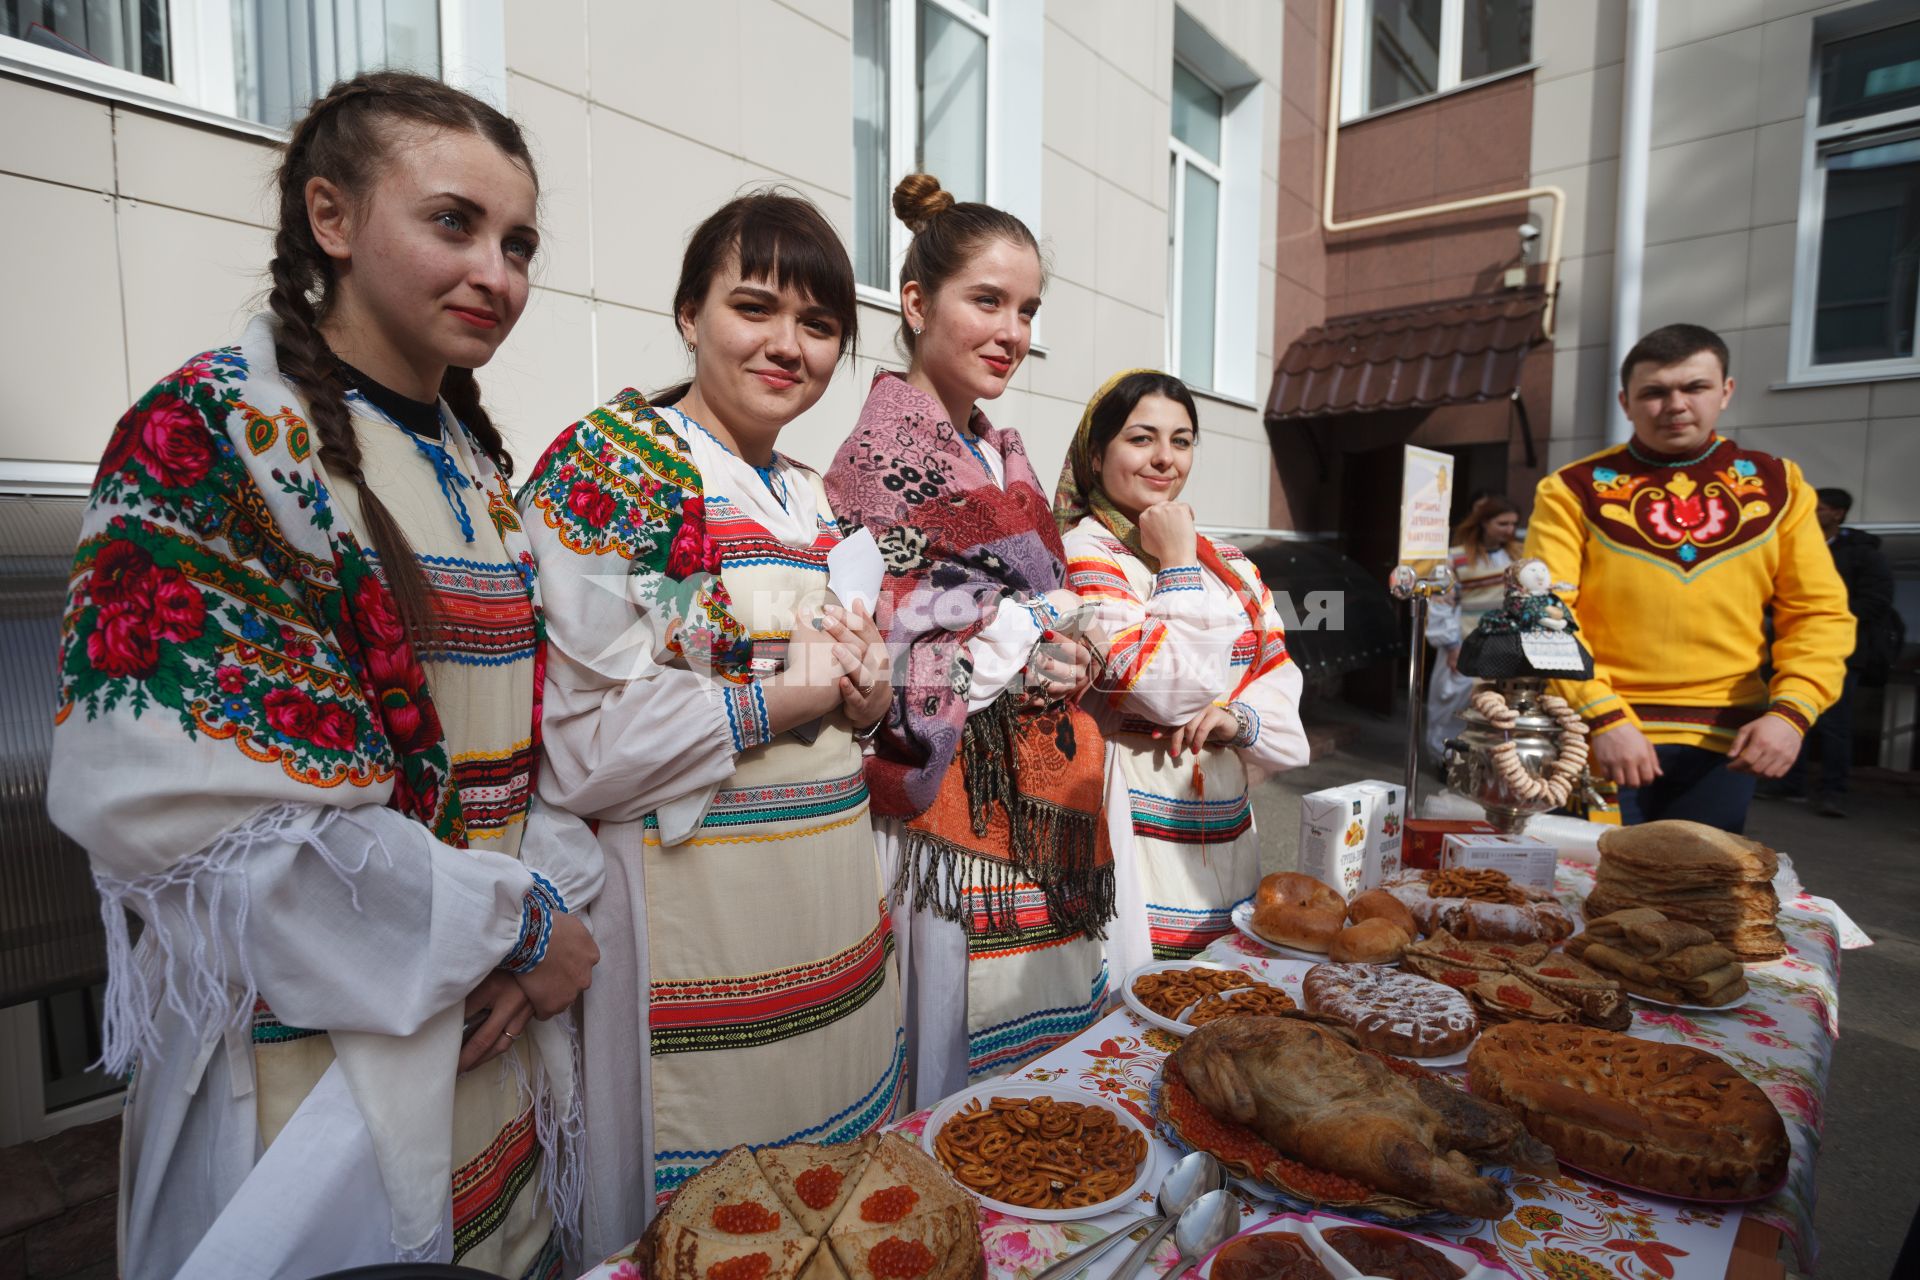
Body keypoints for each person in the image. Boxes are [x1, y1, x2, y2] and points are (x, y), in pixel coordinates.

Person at [45, 72, 603, 1279]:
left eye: (519, 243)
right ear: (332, 218)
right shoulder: (215, 435)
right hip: (319, 1077)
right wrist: (520, 919)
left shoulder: (474, 465)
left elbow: (511, 759)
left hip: (484, 1046)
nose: (498, 273)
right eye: (453, 223)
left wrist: (533, 910)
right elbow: (210, 825)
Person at [519, 191, 904, 1256]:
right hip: (694, 930)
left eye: (819, 325)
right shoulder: (619, 463)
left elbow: (827, 675)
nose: (788, 345)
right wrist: (799, 691)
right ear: (689, 312)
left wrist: (867, 693)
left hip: (825, 915)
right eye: (754, 306)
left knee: (824, 1204)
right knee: (711, 1224)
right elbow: (573, 748)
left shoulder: (814, 497)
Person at [824, 174, 1111, 1106]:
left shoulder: (1007, 451)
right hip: (945, 809)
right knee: (952, 1068)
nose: (1012, 332)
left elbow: (1041, 599)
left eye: (1027, 308)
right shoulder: (878, 459)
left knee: (1043, 1077)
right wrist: (1021, 636)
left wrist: (1068, 648)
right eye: (986, 301)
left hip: (1037, 792)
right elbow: (894, 630)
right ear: (917, 303)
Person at [1524, 323, 1853, 834]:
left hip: (1728, 742)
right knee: (1595, 898)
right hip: (1603, 738)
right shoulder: (1572, 489)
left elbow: (1819, 615)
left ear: (1726, 392)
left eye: (1694, 387)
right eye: (1654, 392)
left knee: (1699, 900)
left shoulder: (1780, 484)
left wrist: (1792, 714)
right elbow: (1545, 617)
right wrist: (1601, 717)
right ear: (1625, 402)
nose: (1675, 405)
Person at [1054, 369, 1308, 973]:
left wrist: (1236, 719)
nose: (1165, 459)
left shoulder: (1233, 566)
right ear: (1097, 453)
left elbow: (1279, 686)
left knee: (1223, 990)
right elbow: (1159, 688)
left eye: (1182, 440)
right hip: (1129, 811)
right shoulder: (1081, 556)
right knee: (1146, 997)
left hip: (1224, 813)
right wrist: (1176, 562)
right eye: (1141, 439)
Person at [1765, 487, 1898, 817]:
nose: (1812, 513)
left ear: (1838, 513)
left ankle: (1832, 791)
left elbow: (1875, 603)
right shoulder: (1792, 546)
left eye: (1820, 508)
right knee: (1789, 716)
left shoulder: (1864, 555)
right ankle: (1790, 783)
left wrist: (1820, 617)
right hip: (1787, 650)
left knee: (1834, 725)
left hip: (1843, 655)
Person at [1423, 495, 1521, 765]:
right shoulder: (1454, 559)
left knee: (1493, 705)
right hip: (1465, 641)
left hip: (1502, 643)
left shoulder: (1516, 555)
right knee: (1453, 705)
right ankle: (1446, 760)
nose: (1510, 530)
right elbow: (1440, 604)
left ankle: (1484, 763)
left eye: (1513, 524)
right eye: (1503, 523)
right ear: (1485, 523)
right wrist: (1452, 647)